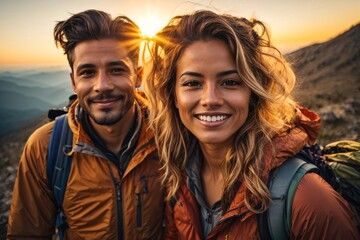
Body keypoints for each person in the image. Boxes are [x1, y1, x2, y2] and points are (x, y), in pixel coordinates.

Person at [144, 10, 359, 239]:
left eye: (230, 82)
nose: (210, 99)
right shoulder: (178, 177)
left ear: (253, 93)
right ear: (173, 96)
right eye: (192, 83)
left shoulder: (309, 200)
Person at [7, 9, 164, 239]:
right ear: (73, 81)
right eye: (88, 72)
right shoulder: (45, 147)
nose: (102, 85)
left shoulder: (168, 137)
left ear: (138, 75)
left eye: (116, 69)